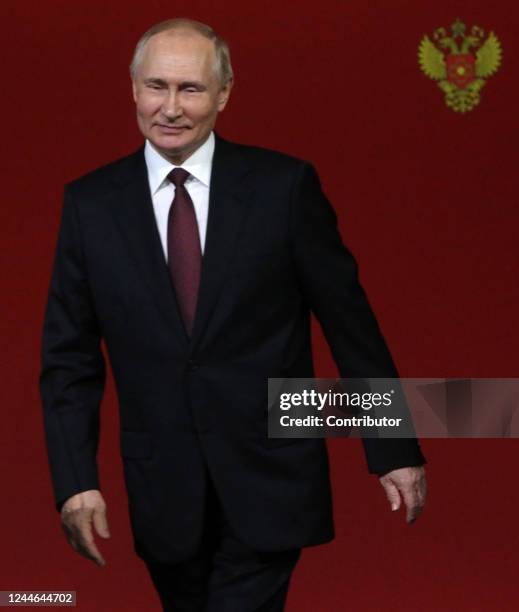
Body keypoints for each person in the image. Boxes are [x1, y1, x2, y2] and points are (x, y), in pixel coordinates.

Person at [40, 17, 427, 612]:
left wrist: (393, 445)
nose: (170, 107)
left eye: (190, 89)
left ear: (223, 94)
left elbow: (350, 325)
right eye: (156, 86)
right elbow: (68, 360)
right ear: (133, 89)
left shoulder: (284, 188)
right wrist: (76, 481)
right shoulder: (90, 205)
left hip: (271, 475)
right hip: (163, 489)